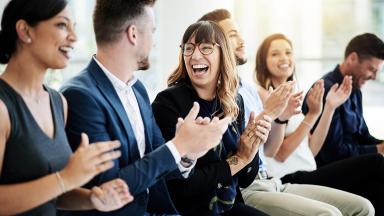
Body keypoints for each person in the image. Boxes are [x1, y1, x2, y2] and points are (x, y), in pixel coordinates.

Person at [59, 1, 230, 215]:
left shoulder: (138, 90)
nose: (155, 43)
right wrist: (179, 145)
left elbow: (159, 161)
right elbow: (109, 188)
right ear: (133, 34)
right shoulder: (81, 96)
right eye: (152, 31)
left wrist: (189, 153)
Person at [200, 10, 375, 216]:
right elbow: (267, 153)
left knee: (364, 208)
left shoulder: (247, 88)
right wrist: (273, 113)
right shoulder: (223, 93)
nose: (241, 40)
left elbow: (271, 150)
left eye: (288, 52)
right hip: (256, 183)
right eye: (232, 35)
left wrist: (320, 110)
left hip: (273, 180)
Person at [0, 0, 134, 215]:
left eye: (74, 28)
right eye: (62, 25)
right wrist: (67, 178)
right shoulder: (2, 107)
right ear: (25, 31)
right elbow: (59, 182)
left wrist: (92, 198)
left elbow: (51, 193)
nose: (73, 37)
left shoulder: (58, 103)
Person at [152, 20, 271, 216]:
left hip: (228, 207)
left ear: (223, 53)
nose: (195, 56)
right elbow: (181, 187)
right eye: (188, 49)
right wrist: (239, 159)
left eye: (206, 48)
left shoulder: (234, 101)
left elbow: (244, 180)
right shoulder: (168, 103)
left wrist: (251, 147)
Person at [253, 33, 379, 215]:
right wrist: (310, 116)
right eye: (275, 54)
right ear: (263, 61)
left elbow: (311, 149)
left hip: (309, 170)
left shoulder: (293, 97)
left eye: (288, 52)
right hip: (290, 178)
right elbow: (280, 153)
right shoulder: (265, 97)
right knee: (376, 162)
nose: (284, 58)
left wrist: (327, 108)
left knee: (372, 191)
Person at [302, 33, 384, 165]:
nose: (374, 77)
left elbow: (363, 136)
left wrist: (380, 145)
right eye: (371, 69)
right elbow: (333, 153)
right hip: (329, 168)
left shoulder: (356, 89)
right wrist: (377, 149)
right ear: (352, 58)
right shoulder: (326, 90)